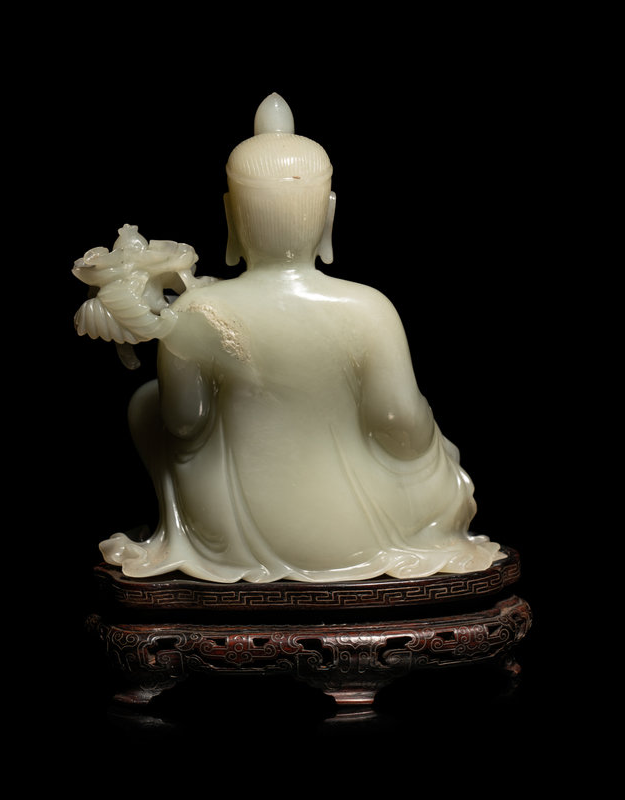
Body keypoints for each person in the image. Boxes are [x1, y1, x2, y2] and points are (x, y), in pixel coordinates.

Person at [95, 94, 503, 582]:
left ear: (231, 217)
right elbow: (397, 421)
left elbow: (184, 423)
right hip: (356, 532)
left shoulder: (196, 310)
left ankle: (199, 539)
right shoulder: (367, 308)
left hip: (227, 533)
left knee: (146, 404)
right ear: (328, 214)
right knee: (436, 454)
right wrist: (431, 438)